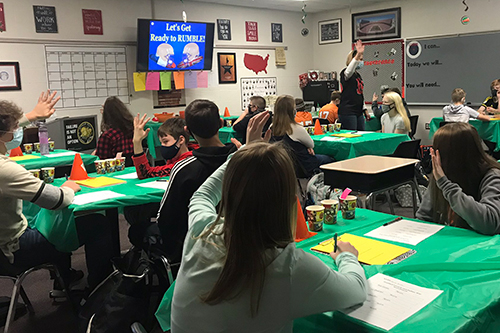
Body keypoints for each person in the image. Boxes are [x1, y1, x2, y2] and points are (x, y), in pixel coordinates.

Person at [170, 112, 367, 332]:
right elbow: (356, 290)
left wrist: (245, 153)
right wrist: (347, 256)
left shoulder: (201, 231)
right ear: (287, 199)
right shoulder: (290, 267)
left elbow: (202, 196)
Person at [0, 92, 113, 291]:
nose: (17, 132)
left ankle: (63, 281)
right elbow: (56, 200)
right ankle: (99, 291)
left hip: (4, 245)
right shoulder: (5, 170)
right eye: (15, 129)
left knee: (50, 220)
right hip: (15, 249)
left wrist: (33, 115)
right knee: (95, 223)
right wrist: (68, 187)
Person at [156, 99, 237, 265]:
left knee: (137, 230)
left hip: (194, 246)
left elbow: (165, 219)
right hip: (238, 241)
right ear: (221, 123)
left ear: (187, 131)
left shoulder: (183, 168)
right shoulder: (239, 159)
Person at [416, 123, 500, 234]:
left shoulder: (492, 175)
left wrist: (445, 185)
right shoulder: (443, 173)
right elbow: (423, 217)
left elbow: (490, 223)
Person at [271, 95, 333, 177]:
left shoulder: (271, 128)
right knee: (331, 160)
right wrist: (308, 147)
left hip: (282, 166)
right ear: (292, 111)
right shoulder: (296, 128)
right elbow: (311, 144)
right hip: (303, 166)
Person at [131, 114, 196, 179]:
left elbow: (145, 173)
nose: (162, 145)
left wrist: (137, 142)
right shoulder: (176, 158)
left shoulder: (184, 164)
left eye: (165, 141)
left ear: (181, 140)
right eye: (161, 142)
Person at [338, 40, 371, 130]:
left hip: (358, 111)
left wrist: (365, 110)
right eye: (360, 59)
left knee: (361, 135)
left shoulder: (358, 75)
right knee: (352, 136)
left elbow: (360, 93)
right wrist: (357, 55)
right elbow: (349, 71)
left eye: (362, 59)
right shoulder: (345, 73)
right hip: (348, 111)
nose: (361, 61)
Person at [94, 96, 134, 160]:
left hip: (114, 168)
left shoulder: (107, 136)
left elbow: (101, 160)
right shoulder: (133, 130)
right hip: (133, 167)